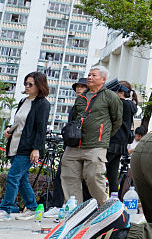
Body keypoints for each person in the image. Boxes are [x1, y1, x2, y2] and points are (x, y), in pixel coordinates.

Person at [60, 66, 122, 205]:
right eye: (89, 75)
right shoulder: (81, 97)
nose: (89, 77)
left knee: (93, 176)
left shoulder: (110, 97)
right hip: (75, 144)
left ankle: (103, 207)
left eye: (94, 75)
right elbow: (75, 117)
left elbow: (117, 121)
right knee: (69, 176)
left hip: (96, 145)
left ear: (103, 79)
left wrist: (103, 135)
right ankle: (74, 209)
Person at [1, 72, 50, 219]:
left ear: (39, 86)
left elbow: (41, 129)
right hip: (15, 145)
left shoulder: (43, 104)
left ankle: (6, 209)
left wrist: (36, 149)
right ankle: (32, 207)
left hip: (28, 148)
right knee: (22, 179)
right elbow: (19, 123)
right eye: (25, 83)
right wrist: (9, 130)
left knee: (12, 177)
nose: (27, 86)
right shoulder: (23, 101)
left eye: (30, 84)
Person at [105, 81, 138, 198]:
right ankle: (114, 200)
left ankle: (96, 200)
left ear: (120, 91)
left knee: (96, 172)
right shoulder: (130, 105)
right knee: (112, 175)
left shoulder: (120, 103)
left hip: (112, 142)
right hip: (121, 144)